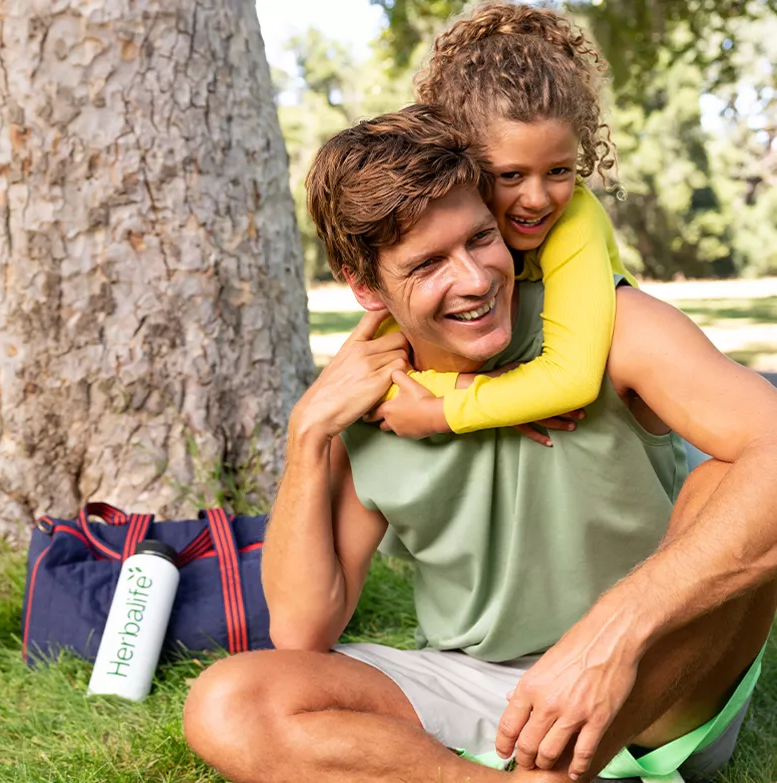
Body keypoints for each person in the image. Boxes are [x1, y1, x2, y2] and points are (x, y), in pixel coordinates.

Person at [183, 104, 777, 783]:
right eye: (428, 263)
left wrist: (607, 638)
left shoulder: (609, 329)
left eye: (478, 239)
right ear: (363, 286)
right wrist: (307, 435)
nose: (472, 279)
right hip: (482, 687)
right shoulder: (369, 400)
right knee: (229, 703)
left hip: (652, 679)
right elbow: (301, 630)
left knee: (729, 476)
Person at [374, 3, 635, 444]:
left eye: (560, 171)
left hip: (623, 436)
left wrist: (443, 412)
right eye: (511, 175)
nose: (537, 199)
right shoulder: (439, 223)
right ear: (465, 163)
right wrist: (493, 394)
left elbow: (572, 380)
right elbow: (378, 375)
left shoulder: (575, 217)